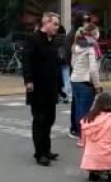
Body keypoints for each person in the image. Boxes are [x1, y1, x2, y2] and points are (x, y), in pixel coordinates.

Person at [22, 11, 62, 167]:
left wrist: (60, 86)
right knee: (40, 119)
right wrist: (28, 80)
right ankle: (40, 153)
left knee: (50, 119)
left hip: (51, 87)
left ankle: (47, 149)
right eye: (55, 24)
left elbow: (55, 66)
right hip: (37, 87)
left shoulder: (52, 42)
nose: (57, 27)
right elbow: (27, 60)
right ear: (47, 23)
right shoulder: (33, 39)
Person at [80, 92, 111, 182]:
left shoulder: (86, 119)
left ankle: (94, 172)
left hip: (90, 159)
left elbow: (83, 142)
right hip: (109, 157)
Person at [70, 23, 102, 146]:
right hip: (85, 82)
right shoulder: (92, 47)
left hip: (75, 80)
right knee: (85, 111)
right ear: (93, 33)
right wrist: (97, 85)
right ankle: (84, 138)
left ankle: (80, 135)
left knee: (79, 109)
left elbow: (73, 63)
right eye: (97, 32)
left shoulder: (76, 44)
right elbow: (93, 69)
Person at [65, 13, 92, 139]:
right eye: (85, 21)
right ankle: (77, 128)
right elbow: (71, 57)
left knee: (78, 102)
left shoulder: (81, 37)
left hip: (78, 73)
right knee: (79, 103)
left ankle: (77, 127)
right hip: (79, 73)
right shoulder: (75, 37)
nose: (88, 24)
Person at [54, 25, 70, 103]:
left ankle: (58, 95)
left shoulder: (54, 38)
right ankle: (67, 95)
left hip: (56, 62)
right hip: (65, 61)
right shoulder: (66, 39)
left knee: (57, 79)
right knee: (66, 78)